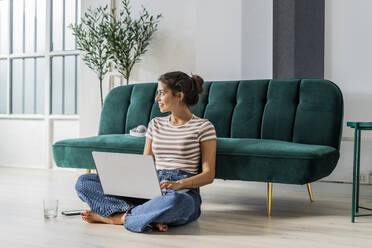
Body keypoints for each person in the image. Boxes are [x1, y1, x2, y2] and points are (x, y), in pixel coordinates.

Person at [75, 71, 217, 233]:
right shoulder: (155, 124)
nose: (157, 98)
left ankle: (115, 217)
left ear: (179, 95)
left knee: (179, 203)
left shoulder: (204, 127)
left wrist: (178, 184)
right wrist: (126, 179)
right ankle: (144, 215)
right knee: (84, 181)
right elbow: (145, 164)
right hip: (151, 185)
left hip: (182, 190)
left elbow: (208, 175)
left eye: (161, 93)